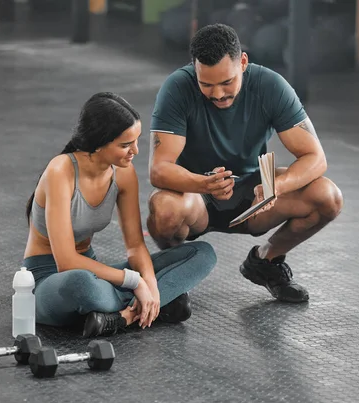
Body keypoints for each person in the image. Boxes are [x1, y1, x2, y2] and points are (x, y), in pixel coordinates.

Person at [147, 24, 343, 303]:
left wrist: (277, 184)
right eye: (207, 84)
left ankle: (266, 262)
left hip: (253, 194)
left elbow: (315, 158)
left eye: (227, 82)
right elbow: (159, 169)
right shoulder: (177, 88)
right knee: (164, 210)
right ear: (195, 68)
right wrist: (204, 183)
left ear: (243, 62)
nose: (217, 94)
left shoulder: (270, 86)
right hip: (196, 193)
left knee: (328, 197)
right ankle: (174, 278)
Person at [22, 92, 217, 338]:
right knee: (82, 286)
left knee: (202, 253)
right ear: (98, 143)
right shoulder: (60, 171)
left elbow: (135, 246)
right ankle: (153, 308)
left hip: (96, 272)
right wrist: (136, 283)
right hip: (49, 280)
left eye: (136, 141)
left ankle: (122, 317)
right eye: (125, 145)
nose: (135, 150)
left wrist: (152, 287)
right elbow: (67, 262)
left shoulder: (123, 173)